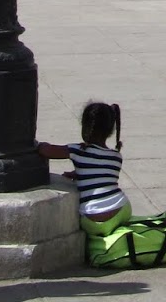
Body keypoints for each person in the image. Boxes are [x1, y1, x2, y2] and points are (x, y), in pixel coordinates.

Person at [38, 101, 129, 236]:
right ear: (110, 130)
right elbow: (101, 173)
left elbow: (46, 151)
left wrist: (39, 144)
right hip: (121, 208)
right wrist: (77, 173)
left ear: (85, 127)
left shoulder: (78, 150)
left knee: (90, 228)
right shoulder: (116, 156)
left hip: (92, 218)